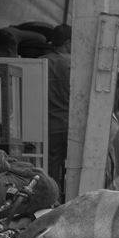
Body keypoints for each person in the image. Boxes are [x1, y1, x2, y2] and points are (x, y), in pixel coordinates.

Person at [43, 24, 71, 197]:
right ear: (68, 42)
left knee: (50, 167)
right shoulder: (71, 64)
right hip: (67, 124)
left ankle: (51, 199)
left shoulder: (41, 61)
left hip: (46, 125)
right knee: (70, 168)